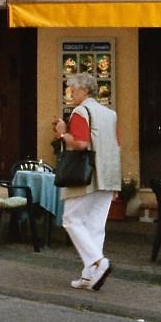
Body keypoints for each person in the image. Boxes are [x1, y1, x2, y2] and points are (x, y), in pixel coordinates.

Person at [53, 72, 120, 291]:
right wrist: (115, 182)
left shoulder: (81, 112)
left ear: (85, 90)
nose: (70, 92)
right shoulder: (110, 114)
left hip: (86, 176)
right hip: (107, 176)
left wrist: (63, 134)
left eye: (73, 88)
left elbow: (81, 144)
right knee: (95, 226)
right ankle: (89, 276)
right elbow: (116, 146)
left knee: (71, 220)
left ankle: (99, 262)